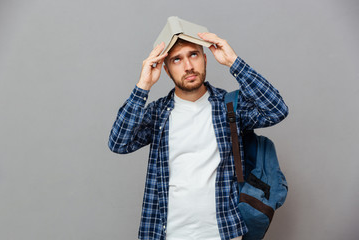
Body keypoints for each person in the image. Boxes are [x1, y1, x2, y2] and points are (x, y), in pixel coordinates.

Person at [108, 32, 288, 240]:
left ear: (204, 59)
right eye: (177, 59)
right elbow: (119, 143)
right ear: (166, 70)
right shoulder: (158, 113)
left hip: (224, 232)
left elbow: (276, 110)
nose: (188, 66)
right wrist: (143, 86)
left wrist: (234, 63)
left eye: (193, 55)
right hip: (166, 233)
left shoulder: (229, 107)